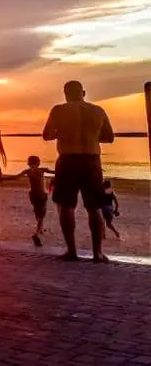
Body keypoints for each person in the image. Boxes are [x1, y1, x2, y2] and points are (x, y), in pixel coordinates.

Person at [42, 81, 115, 263]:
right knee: (94, 207)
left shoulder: (59, 110)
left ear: (65, 93)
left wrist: (64, 133)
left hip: (68, 159)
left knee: (66, 207)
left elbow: (47, 135)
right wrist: (91, 136)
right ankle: (97, 253)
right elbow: (109, 137)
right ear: (83, 92)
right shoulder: (98, 110)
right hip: (91, 160)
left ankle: (72, 251)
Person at [17, 156, 54, 246]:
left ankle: (40, 228)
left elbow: (16, 177)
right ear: (38, 163)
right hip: (41, 194)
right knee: (42, 213)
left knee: (37, 210)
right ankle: (36, 233)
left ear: (28, 163)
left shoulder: (27, 171)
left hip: (33, 194)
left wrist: (1, 178)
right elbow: (55, 172)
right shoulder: (42, 170)